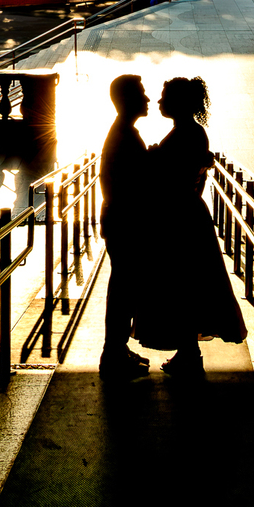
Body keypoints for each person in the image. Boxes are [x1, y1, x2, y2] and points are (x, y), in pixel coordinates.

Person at [134, 75, 246, 381]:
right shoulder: (192, 132)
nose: (158, 101)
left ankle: (189, 355)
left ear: (178, 102)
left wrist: (153, 158)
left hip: (178, 219)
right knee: (187, 285)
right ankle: (188, 354)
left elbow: (170, 177)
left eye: (164, 96)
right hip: (187, 214)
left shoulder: (185, 134)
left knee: (180, 285)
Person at [98, 73, 152, 379]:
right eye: (141, 94)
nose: (146, 99)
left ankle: (117, 348)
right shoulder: (125, 135)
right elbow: (136, 183)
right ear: (128, 99)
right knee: (122, 291)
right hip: (125, 223)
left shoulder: (124, 132)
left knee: (123, 290)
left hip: (119, 221)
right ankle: (113, 354)